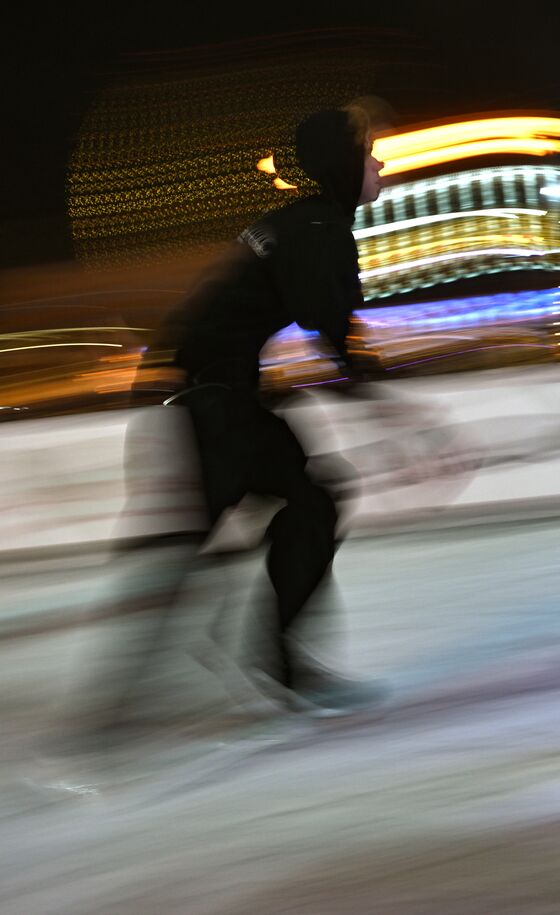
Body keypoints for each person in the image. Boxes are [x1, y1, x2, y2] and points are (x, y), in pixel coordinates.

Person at [83, 101, 397, 736]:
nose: (381, 163)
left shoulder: (296, 223)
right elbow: (325, 324)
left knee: (289, 507)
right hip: (211, 398)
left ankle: (123, 705)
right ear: (343, 164)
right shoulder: (318, 228)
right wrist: (383, 396)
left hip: (204, 392)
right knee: (305, 504)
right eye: (368, 153)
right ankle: (245, 668)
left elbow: (263, 317)